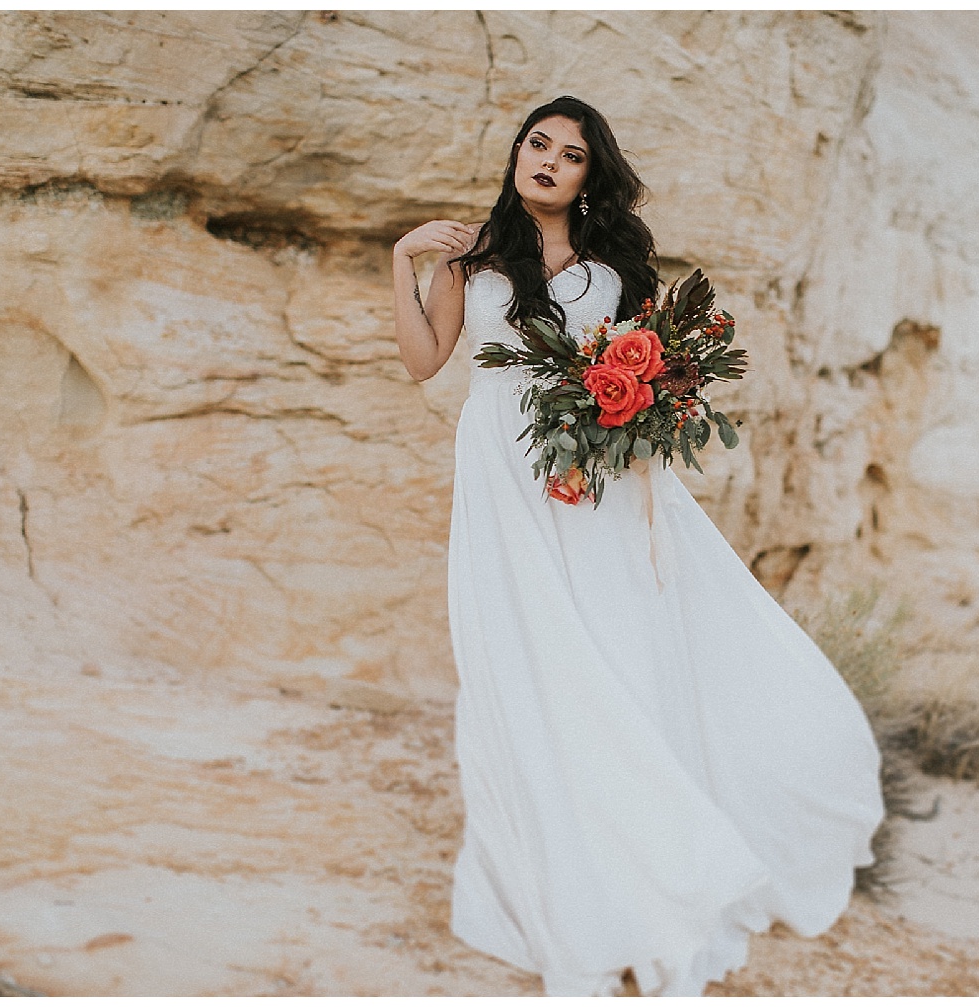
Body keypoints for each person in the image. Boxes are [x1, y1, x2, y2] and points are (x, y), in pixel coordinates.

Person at [391, 95, 885, 997]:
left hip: (595, 488)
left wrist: (640, 454)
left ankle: (655, 866)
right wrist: (404, 260)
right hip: (503, 481)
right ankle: (558, 883)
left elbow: (656, 374)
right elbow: (426, 360)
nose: (545, 160)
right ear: (517, 154)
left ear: (590, 174)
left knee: (612, 658)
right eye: (536, 144)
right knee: (526, 666)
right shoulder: (474, 257)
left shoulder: (615, 271)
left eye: (568, 153)